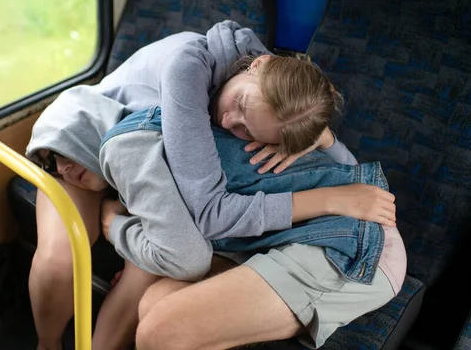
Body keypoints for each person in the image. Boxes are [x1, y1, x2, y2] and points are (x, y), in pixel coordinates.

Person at [25, 20, 400, 350]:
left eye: (247, 132)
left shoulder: (280, 93)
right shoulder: (183, 80)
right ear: (258, 64)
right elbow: (203, 209)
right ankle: (47, 345)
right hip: (88, 140)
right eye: (238, 102)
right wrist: (328, 199)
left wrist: (321, 139)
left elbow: (349, 173)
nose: (227, 119)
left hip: (151, 172)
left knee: (151, 280)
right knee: (64, 256)